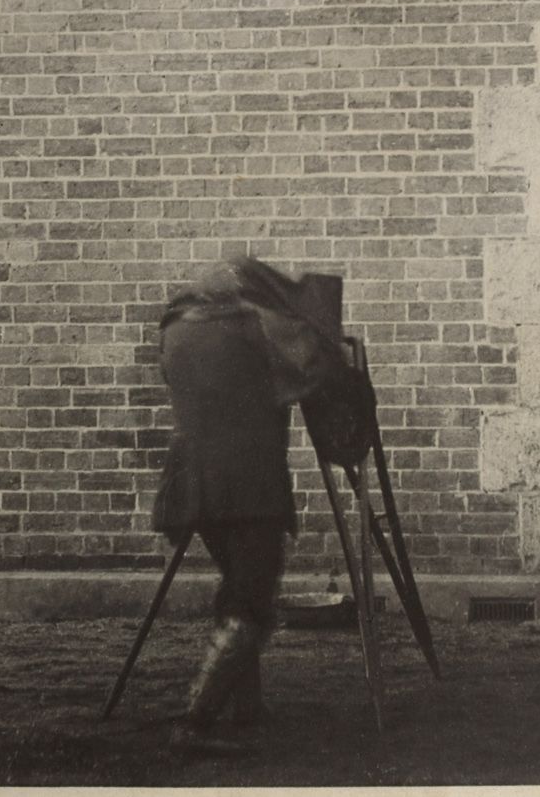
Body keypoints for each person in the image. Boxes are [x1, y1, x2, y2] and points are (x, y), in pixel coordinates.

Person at [150, 256, 363, 755]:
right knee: (251, 600)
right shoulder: (255, 328)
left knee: (239, 586)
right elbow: (316, 370)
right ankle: (195, 722)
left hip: (190, 482)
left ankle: (247, 709)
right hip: (247, 483)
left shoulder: (175, 331)